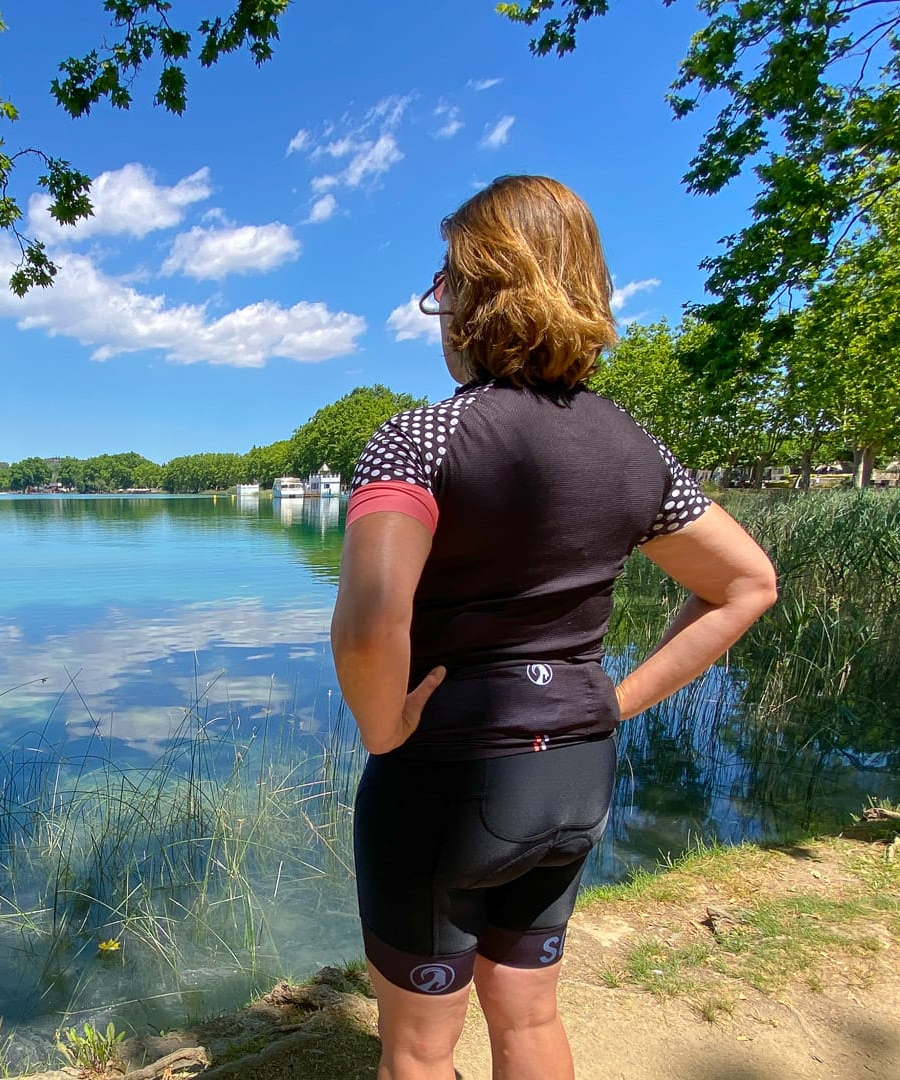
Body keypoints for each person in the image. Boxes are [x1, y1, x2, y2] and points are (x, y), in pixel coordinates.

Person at [330, 175, 778, 1080]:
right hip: (577, 773)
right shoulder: (633, 448)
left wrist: (383, 729)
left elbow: (375, 620)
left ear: (477, 296)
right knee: (529, 1020)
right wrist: (614, 701)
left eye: (444, 287)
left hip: (447, 778)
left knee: (418, 1052)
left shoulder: (420, 440)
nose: (438, 310)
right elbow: (746, 584)